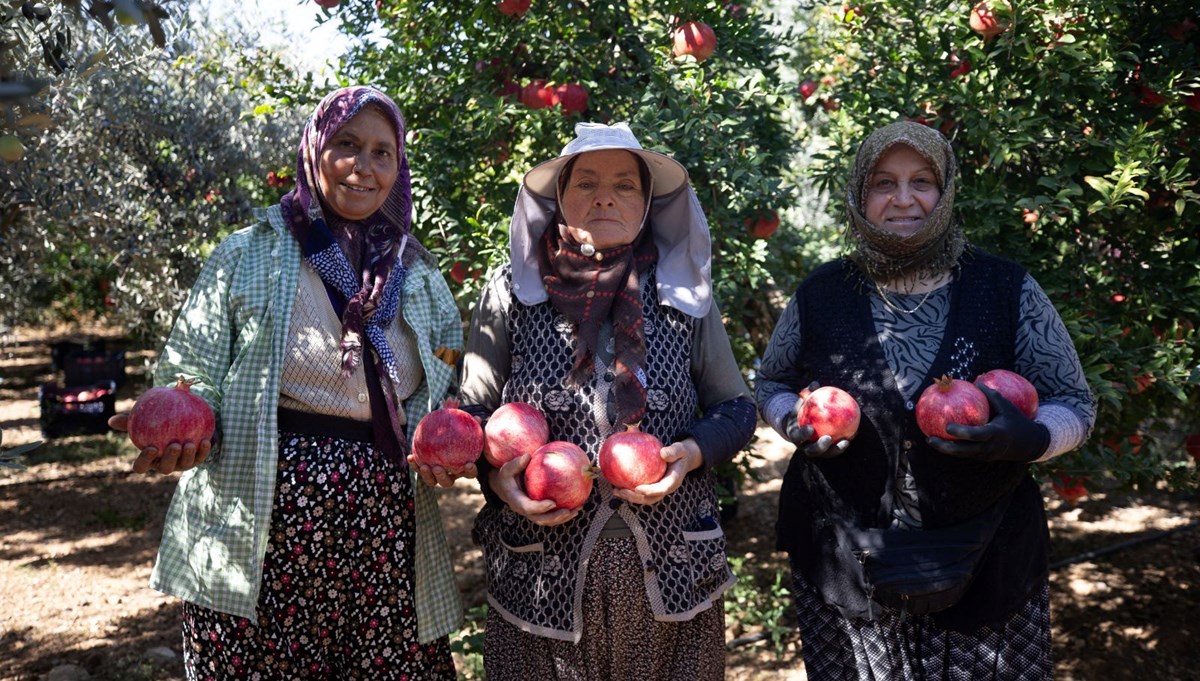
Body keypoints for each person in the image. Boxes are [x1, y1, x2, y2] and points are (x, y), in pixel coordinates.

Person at [109, 86, 465, 679]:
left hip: (385, 527)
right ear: (314, 148)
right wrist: (180, 425)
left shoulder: (416, 272)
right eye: (347, 145)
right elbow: (192, 370)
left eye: (382, 152)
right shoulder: (246, 254)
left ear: (398, 166)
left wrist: (448, 444)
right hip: (264, 518)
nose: (364, 166)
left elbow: (445, 386)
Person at [756, 120, 1096, 680]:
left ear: (945, 191)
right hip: (849, 564)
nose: (903, 198)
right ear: (860, 193)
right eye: (884, 183)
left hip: (985, 556)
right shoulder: (821, 293)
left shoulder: (1005, 288)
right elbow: (771, 382)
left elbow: (1074, 401)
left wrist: (1032, 438)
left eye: (922, 181)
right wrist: (791, 421)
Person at [458, 122, 758, 680]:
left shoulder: (681, 292)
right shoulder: (513, 291)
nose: (605, 197)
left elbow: (737, 408)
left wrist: (690, 455)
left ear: (646, 204)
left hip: (673, 574)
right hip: (538, 582)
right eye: (586, 183)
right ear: (558, 196)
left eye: (625, 185)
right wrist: (497, 481)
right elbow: (473, 414)